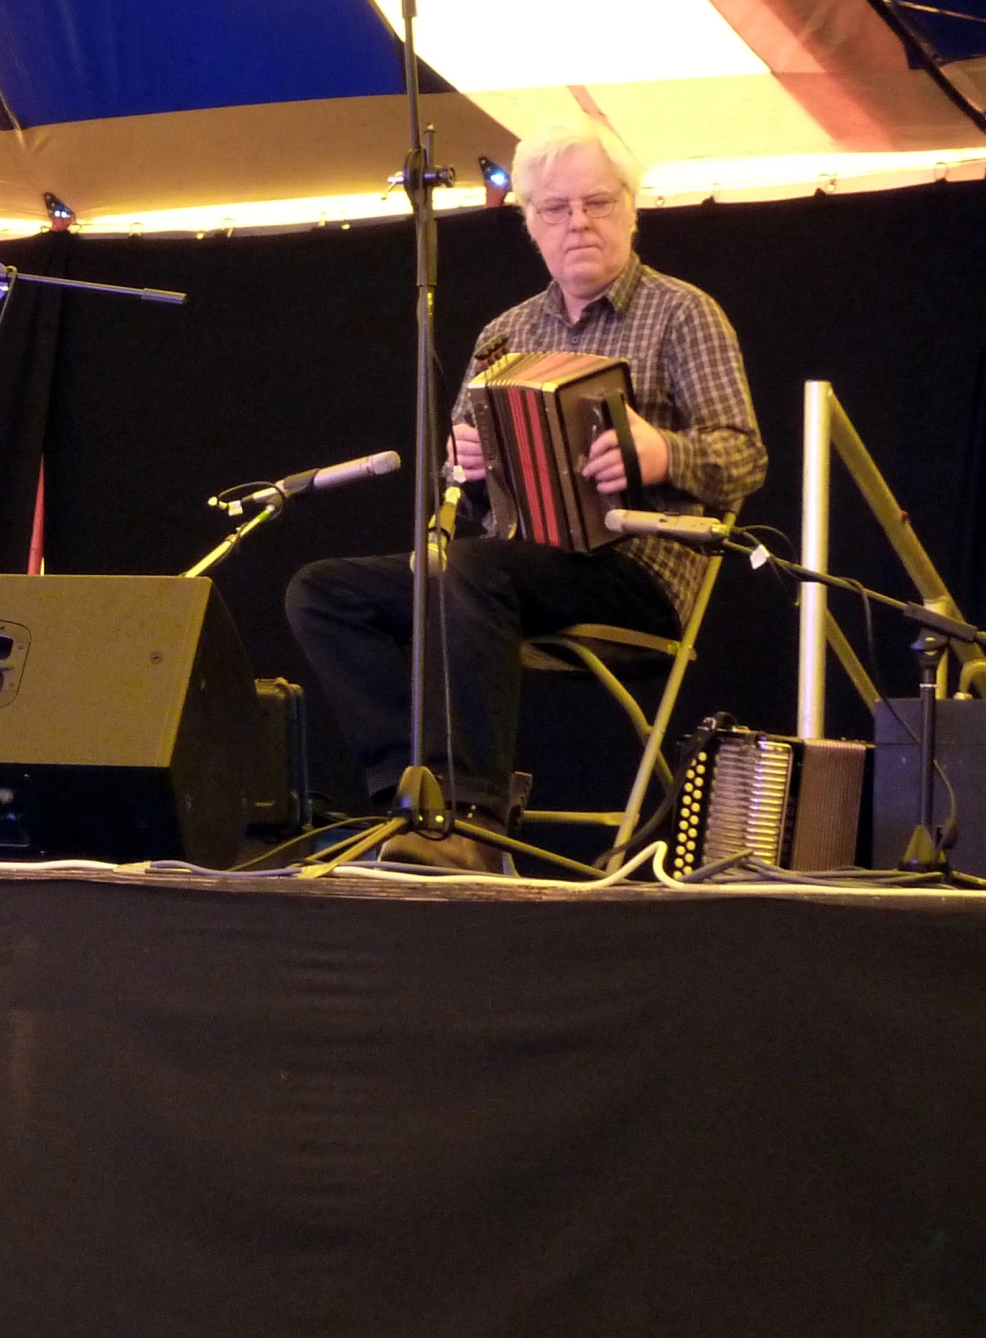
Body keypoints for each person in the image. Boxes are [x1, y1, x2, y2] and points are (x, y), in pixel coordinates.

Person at [285, 118, 766, 870]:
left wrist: (658, 450)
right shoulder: (504, 334)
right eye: (556, 208)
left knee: (473, 569)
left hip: (637, 575)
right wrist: (465, 466)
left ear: (632, 210)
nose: (578, 222)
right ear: (530, 225)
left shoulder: (683, 313)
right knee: (322, 592)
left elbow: (745, 459)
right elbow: (466, 505)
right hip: (517, 570)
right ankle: (414, 794)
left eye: (598, 202)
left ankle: (470, 819)